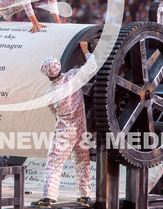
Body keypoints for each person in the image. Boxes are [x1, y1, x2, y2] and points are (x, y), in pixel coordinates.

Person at [31, 41, 94, 208]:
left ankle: (48, 199)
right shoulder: (73, 76)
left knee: (54, 163)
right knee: (82, 161)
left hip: (64, 131)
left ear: (46, 74)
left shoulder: (50, 94)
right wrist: (85, 49)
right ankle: (85, 196)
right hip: (81, 128)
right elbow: (91, 66)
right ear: (59, 67)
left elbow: (55, 113)